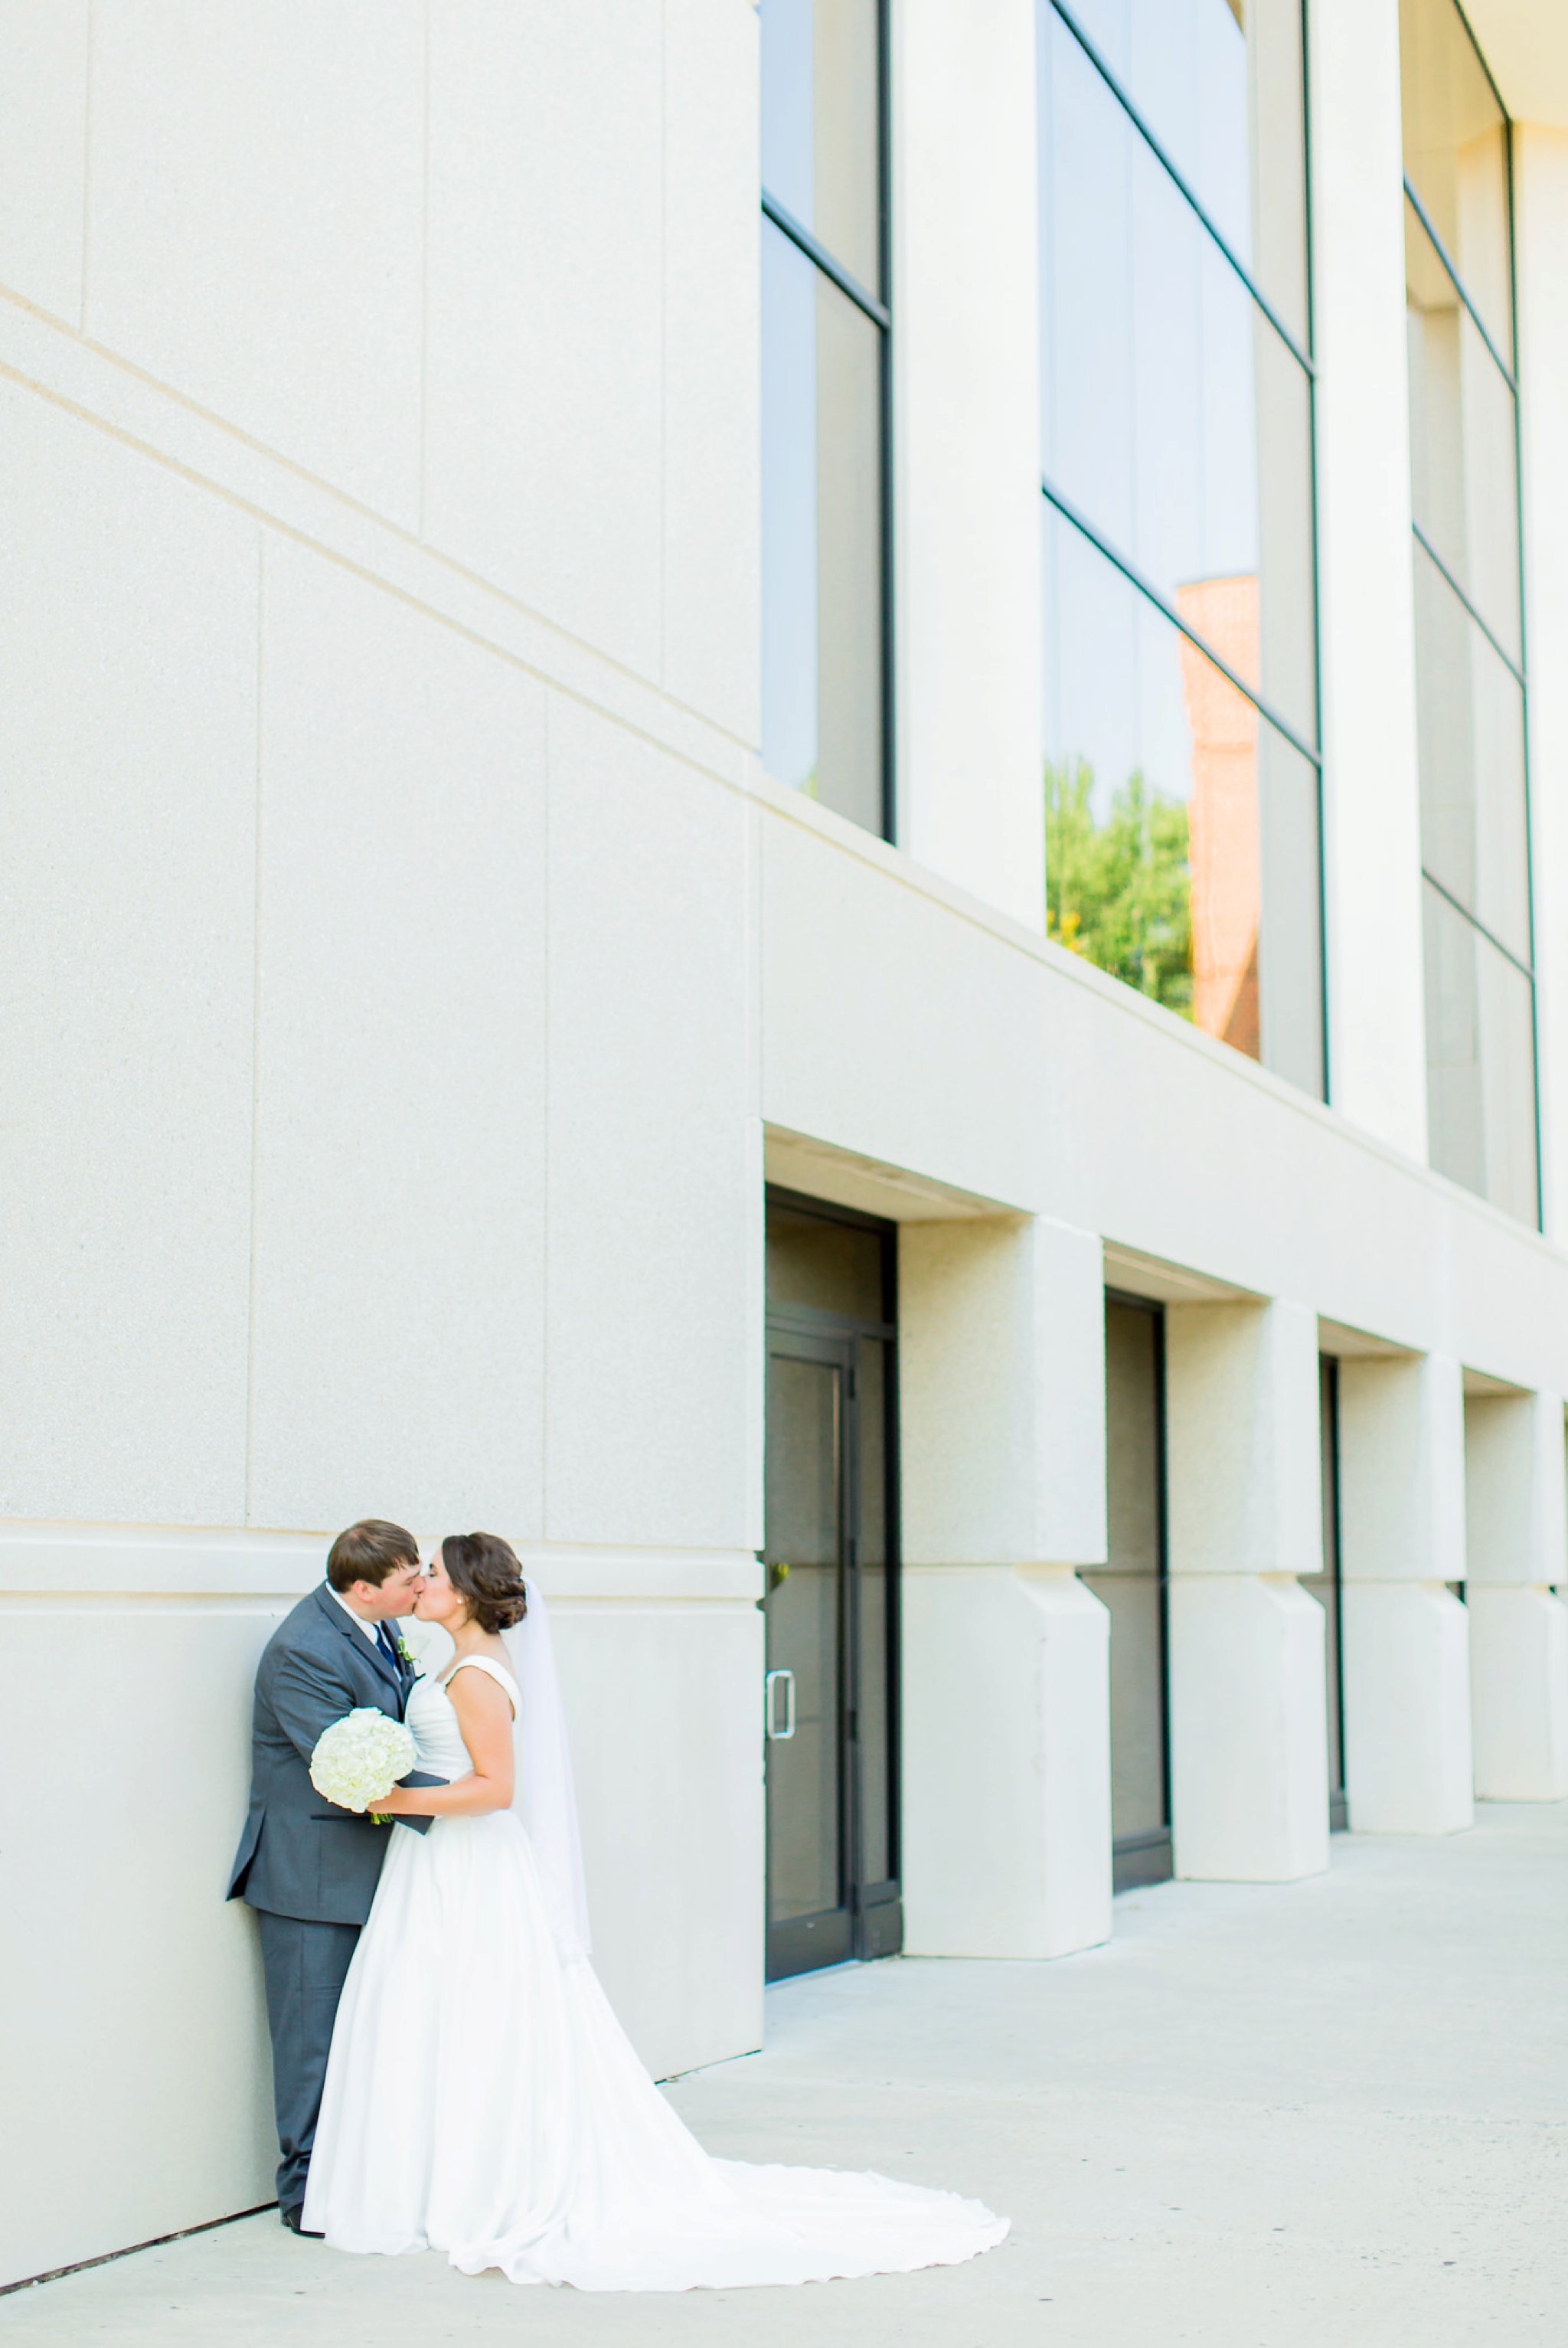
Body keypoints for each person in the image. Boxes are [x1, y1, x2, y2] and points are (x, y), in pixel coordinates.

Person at [302, 1531, 1008, 2290]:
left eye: (434, 1573)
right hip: (437, 1860)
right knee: (446, 2012)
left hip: (465, 1860)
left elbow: (494, 1788)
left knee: (469, 2012)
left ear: (467, 1592)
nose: (422, 1583)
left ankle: (476, 2183)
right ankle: (442, 2178)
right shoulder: (456, 1663)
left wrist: (385, 1796)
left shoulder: (474, 1675)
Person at [227, 1519, 440, 2232]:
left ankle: (362, 2178)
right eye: (408, 1580)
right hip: (309, 1881)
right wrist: (467, 1801)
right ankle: (308, 2195)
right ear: (361, 1587)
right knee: (312, 2037)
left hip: (367, 1871)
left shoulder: (379, 1626)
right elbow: (341, 1767)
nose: (421, 1586)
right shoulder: (303, 1650)